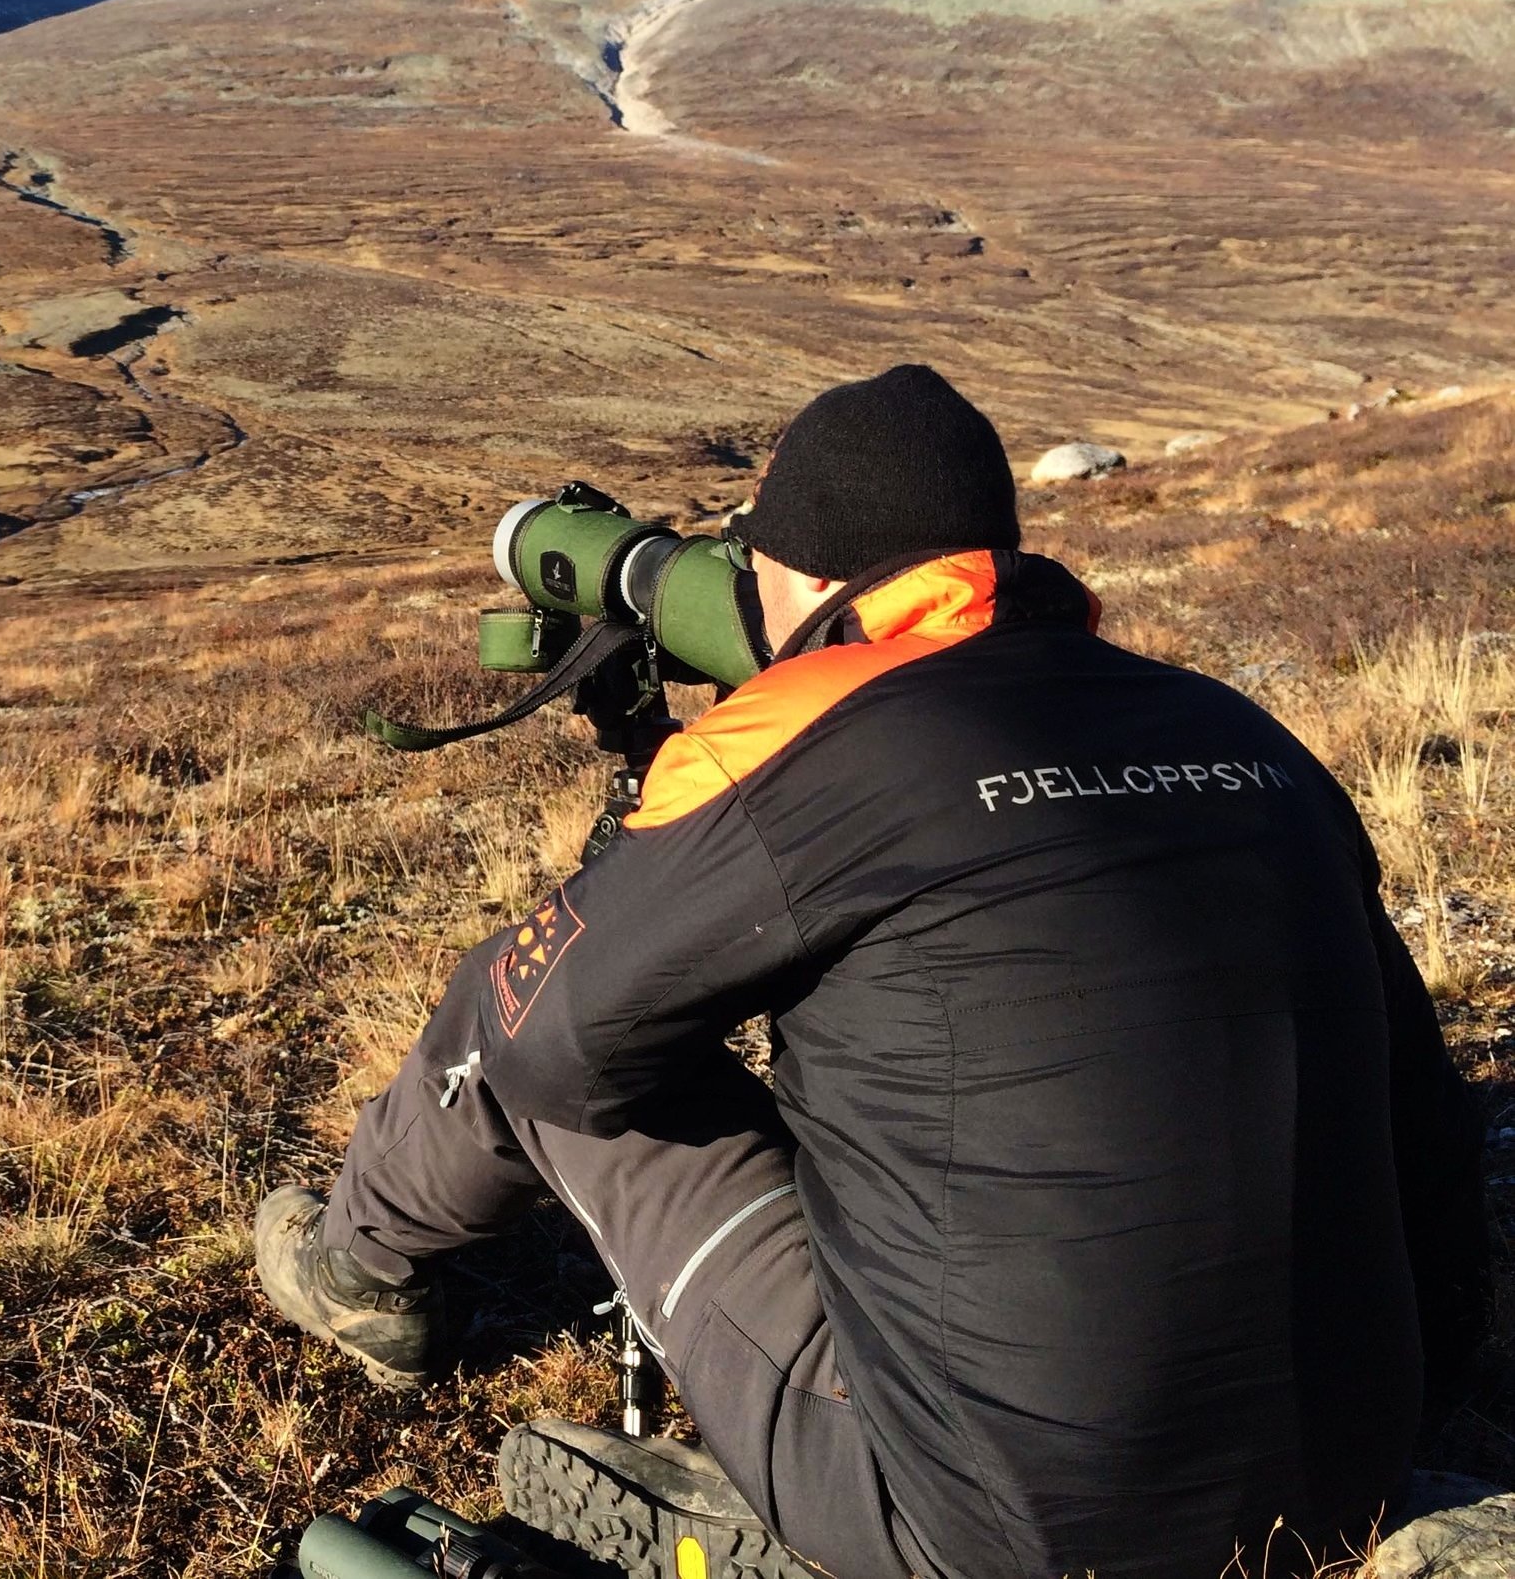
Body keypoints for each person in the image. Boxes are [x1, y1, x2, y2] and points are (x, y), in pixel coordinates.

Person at [254, 365, 1489, 1579]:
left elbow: (544, 1048)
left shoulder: (799, 741)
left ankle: (361, 1273)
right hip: (1351, 1467)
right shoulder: (1231, 728)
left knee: (526, 1011)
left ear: (794, 575)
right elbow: (1420, 1122)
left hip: (990, 1527)